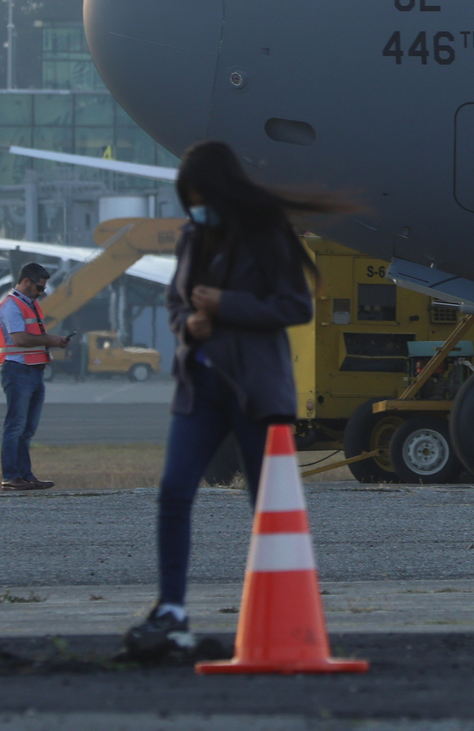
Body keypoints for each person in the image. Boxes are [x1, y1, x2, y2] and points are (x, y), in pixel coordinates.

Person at [123, 141, 335, 661]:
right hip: (200, 384)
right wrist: (187, 324)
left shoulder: (266, 235)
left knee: (267, 506)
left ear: (219, 190)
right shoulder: (194, 237)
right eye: (188, 200)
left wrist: (226, 304)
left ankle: (284, 609)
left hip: (255, 391)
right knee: (174, 490)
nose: (195, 208)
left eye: (199, 197)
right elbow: (176, 300)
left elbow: (294, 306)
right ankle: (171, 605)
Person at [0, 262, 68, 492]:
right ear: (26, 281)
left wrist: (52, 341)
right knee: (15, 427)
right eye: (39, 288)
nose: (41, 292)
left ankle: (25, 476)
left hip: (34, 371)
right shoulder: (11, 306)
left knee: (27, 429)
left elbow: (32, 338)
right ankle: (11, 476)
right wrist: (50, 340)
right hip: (18, 371)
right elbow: (19, 339)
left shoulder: (30, 305)